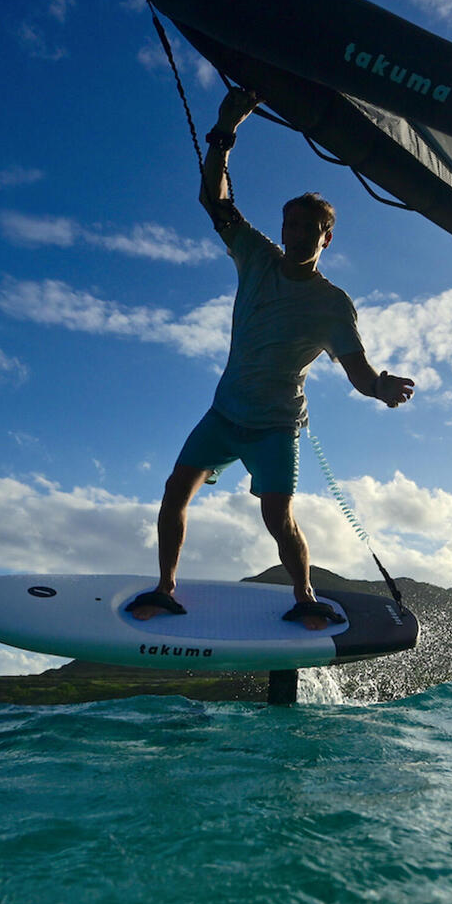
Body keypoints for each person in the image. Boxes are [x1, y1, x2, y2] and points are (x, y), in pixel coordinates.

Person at [127, 87, 415, 631]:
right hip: (223, 414)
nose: (296, 234)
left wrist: (380, 388)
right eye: (290, 225)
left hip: (275, 426)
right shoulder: (256, 256)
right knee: (173, 493)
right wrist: (225, 129)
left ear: (327, 237)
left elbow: (358, 373)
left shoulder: (333, 305)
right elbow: (214, 200)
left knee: (277, 518)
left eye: (308, 229)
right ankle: (166, 588)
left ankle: (304, 596)